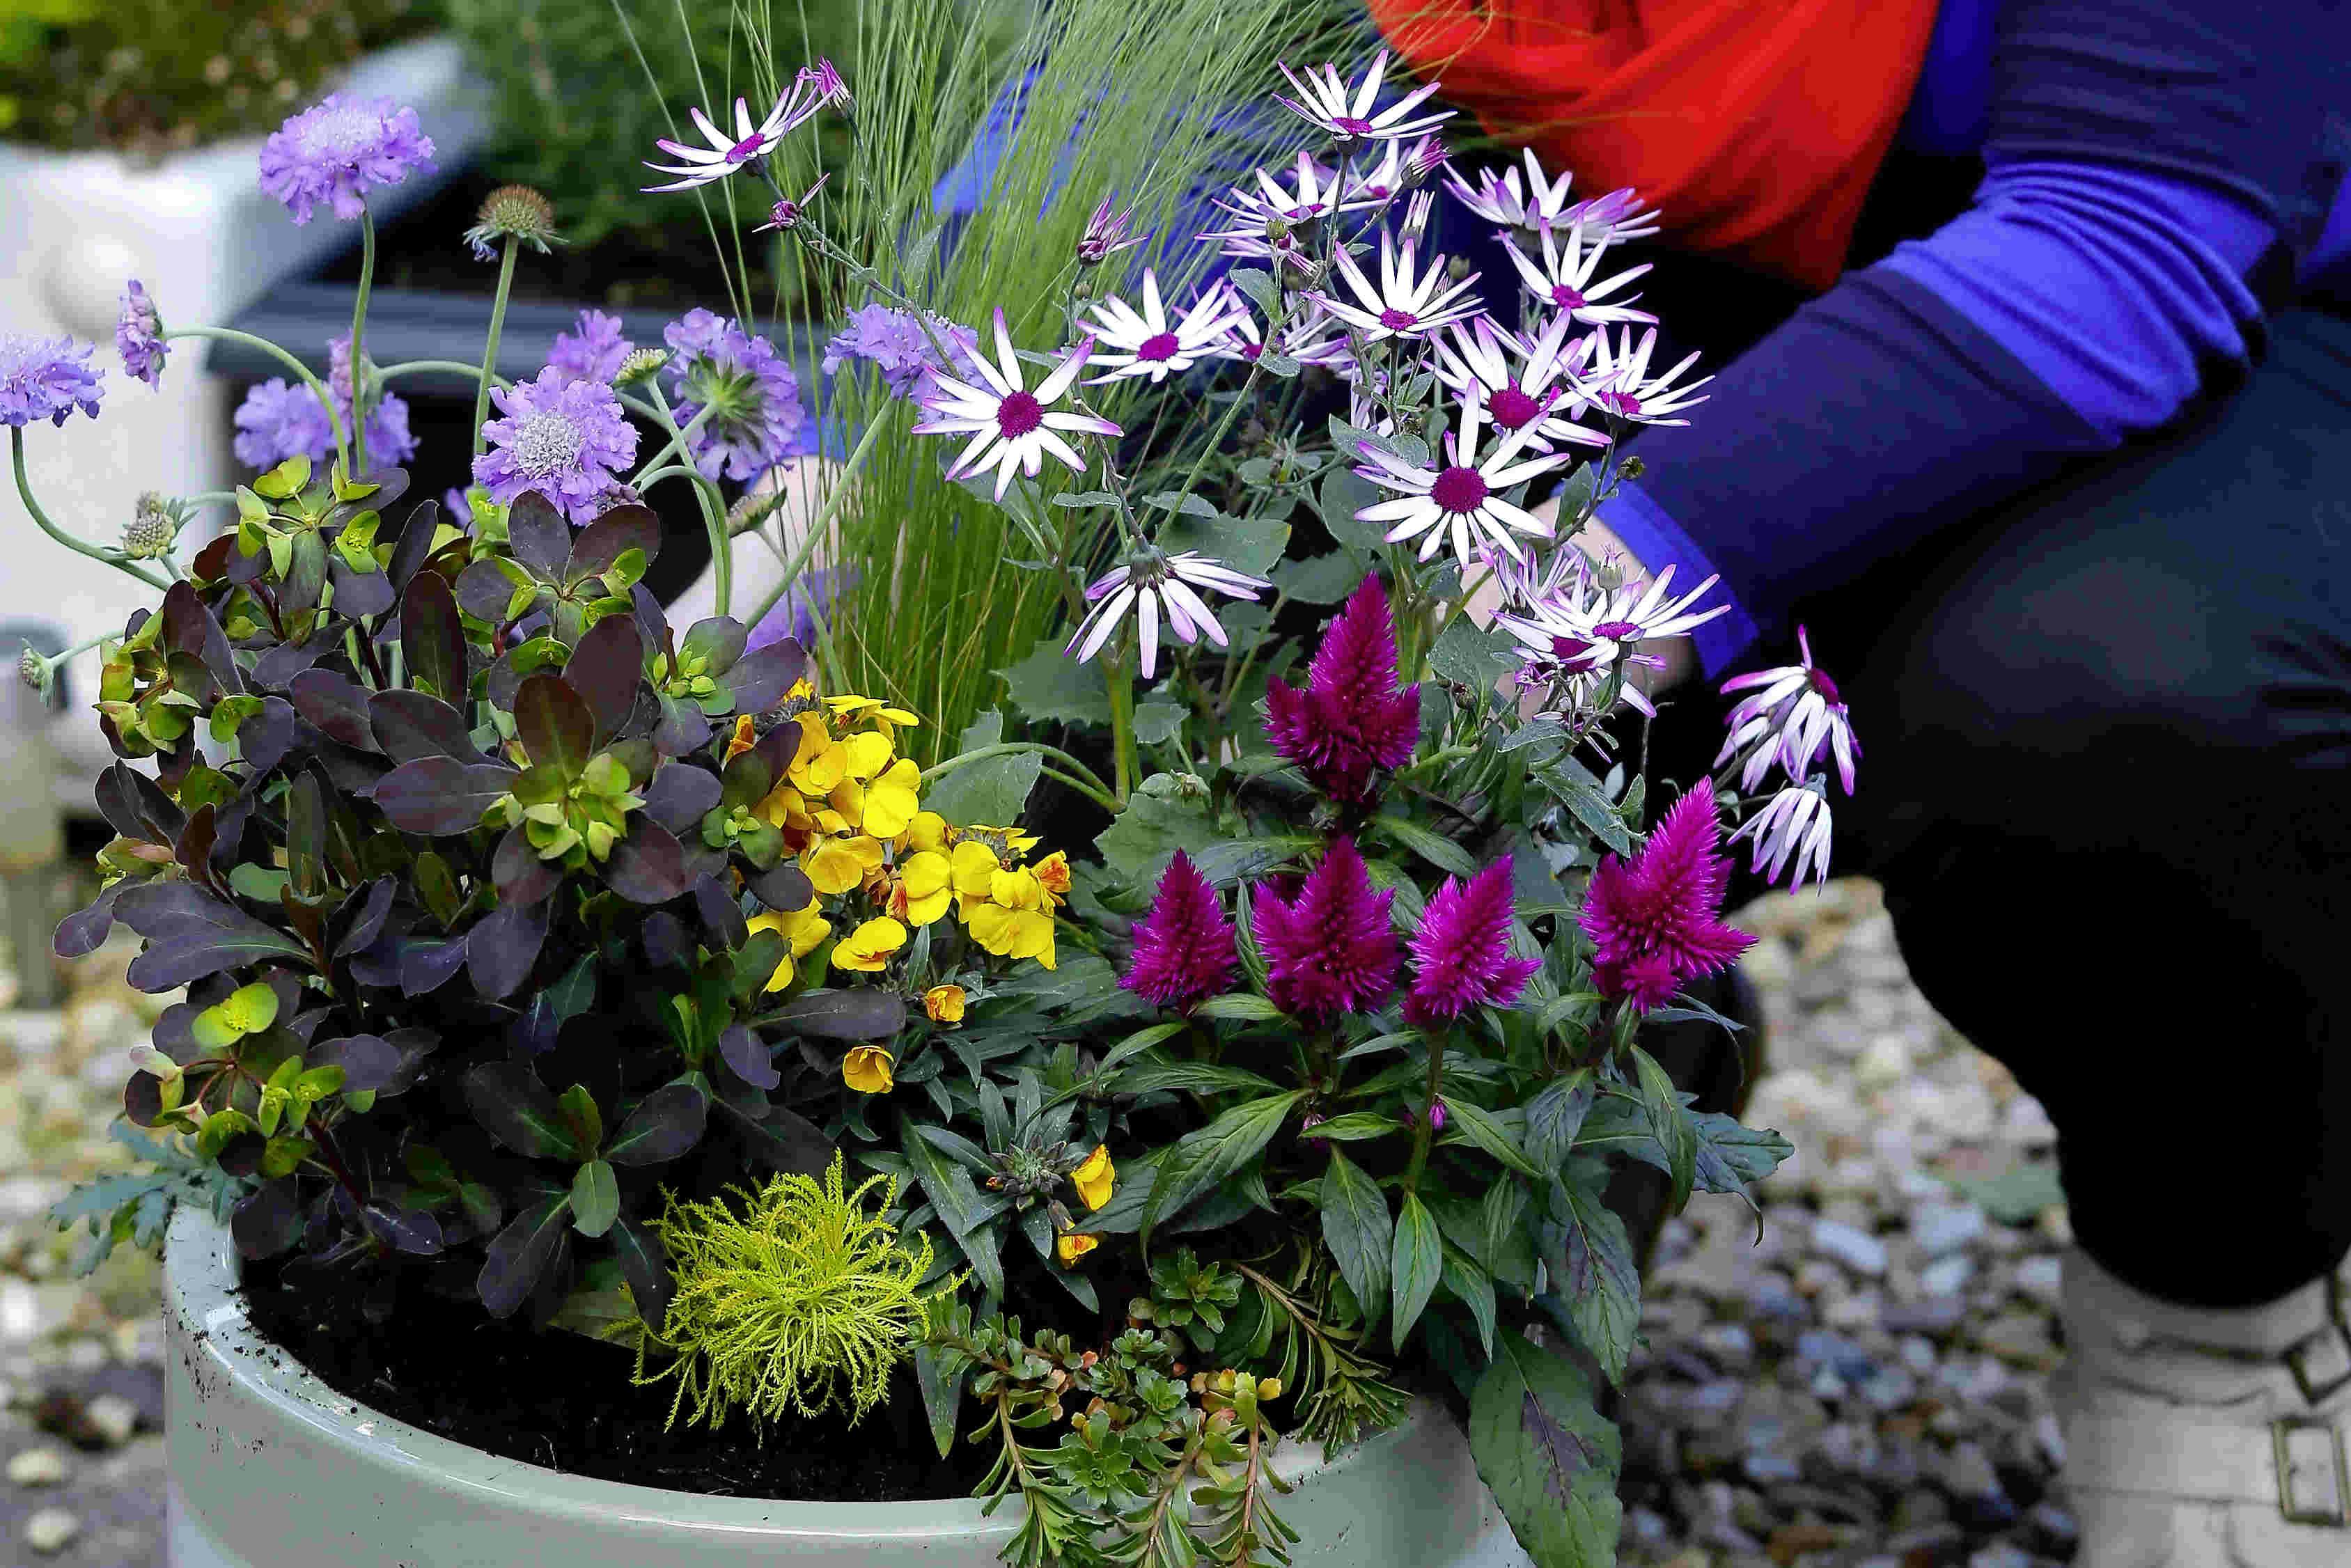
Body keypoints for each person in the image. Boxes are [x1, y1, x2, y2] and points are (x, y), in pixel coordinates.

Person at [1357, 0, 2350, 1561]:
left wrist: (1581, 604)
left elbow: (2133, 232)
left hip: (2228, 276)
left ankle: (2216, 1303)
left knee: (2115, 708)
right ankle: (1543, 1097)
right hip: (1621, 237)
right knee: (1171, 523)